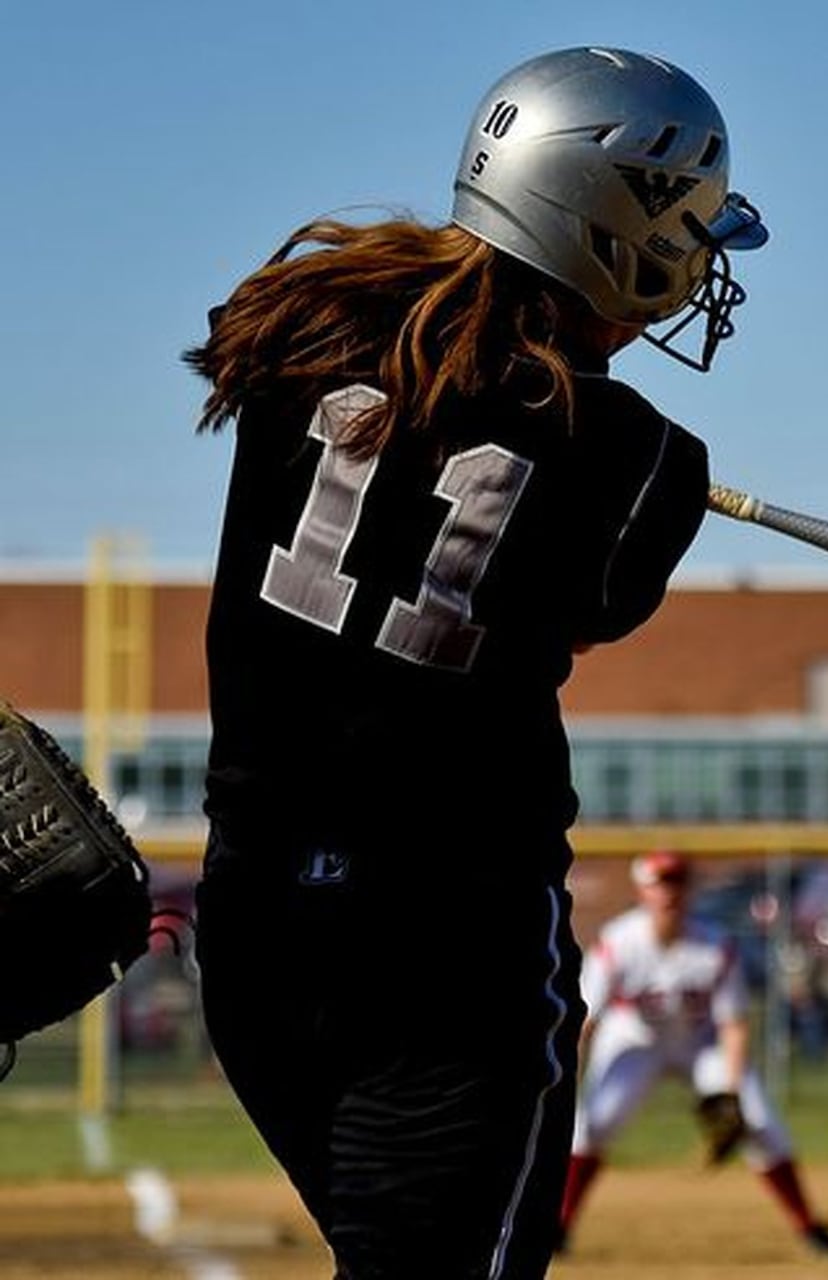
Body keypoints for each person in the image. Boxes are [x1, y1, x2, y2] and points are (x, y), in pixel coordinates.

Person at [183, 47, 767, 1280]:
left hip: (256, 939)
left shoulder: (304, 331)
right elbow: (577, 619)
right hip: (447, 960)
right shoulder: (641, 458)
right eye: (688, 225)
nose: (703, 254)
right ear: (615, 233)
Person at [559, 850, 828, 1257]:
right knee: (592, 1125)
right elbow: (586, 1021)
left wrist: (729, 1090)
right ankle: (558, 1228)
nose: (668, 893)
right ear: (642, 891)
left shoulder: (714, 945)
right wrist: (566, 1079)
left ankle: (809, 1226)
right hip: (634, 1040)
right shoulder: (617, 943)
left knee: (759, 1122)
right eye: (660, 884)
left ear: (688, 890)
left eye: (676, 883)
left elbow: (733, 1022)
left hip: (699, 1041)